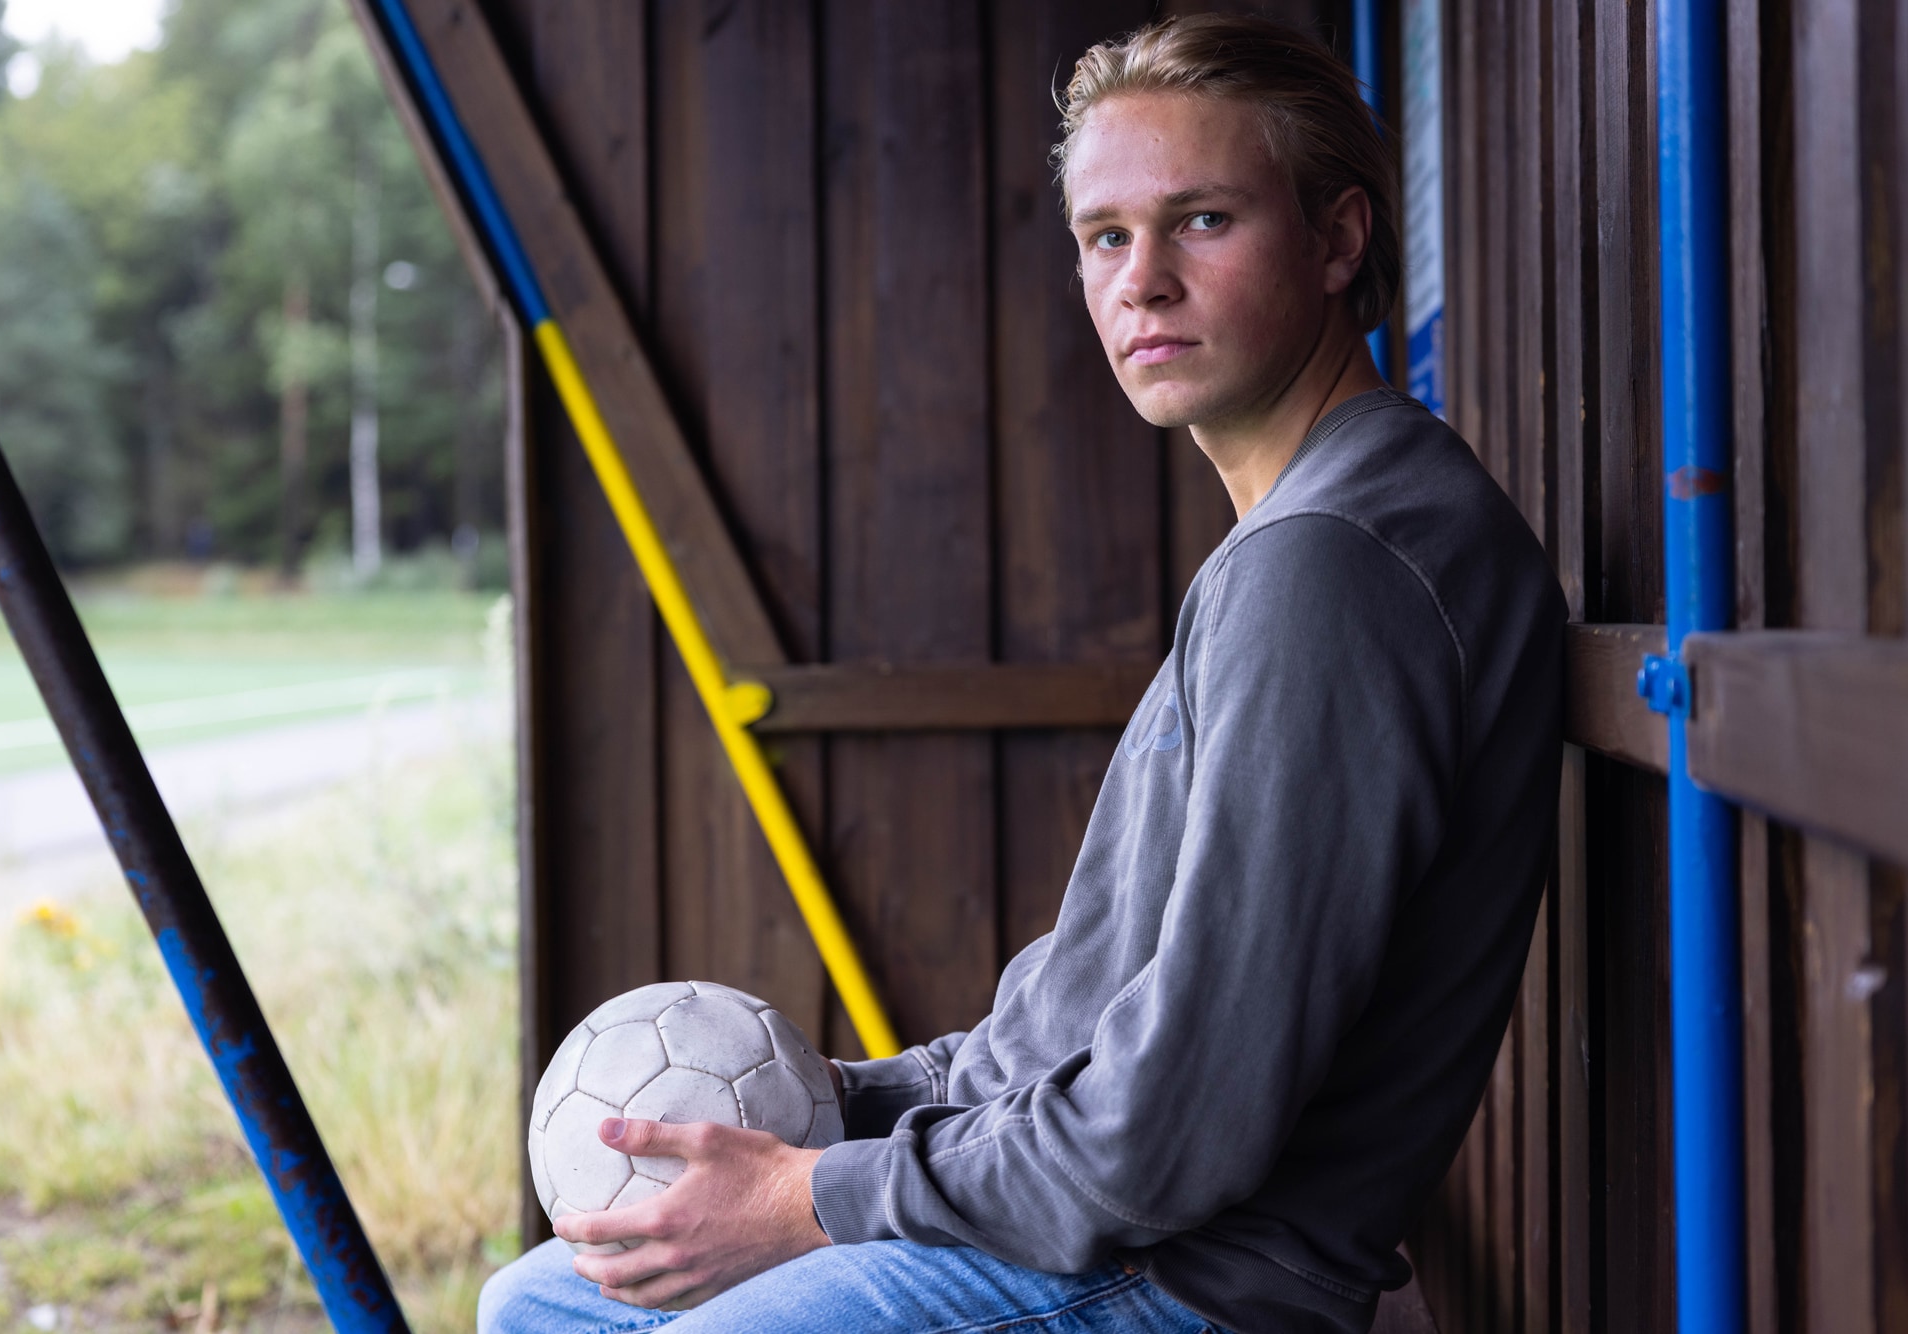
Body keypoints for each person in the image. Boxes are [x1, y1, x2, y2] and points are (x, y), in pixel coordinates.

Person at [479, 14, 1565, 1334]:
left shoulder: (1332, 567)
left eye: (1204, 220)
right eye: (1107, 235)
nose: (1141, 282)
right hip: (1114, 1227)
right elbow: (1074, 1023)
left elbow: (1166, 1136)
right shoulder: (1297, 536)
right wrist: (820, 1102)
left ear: (1337, 240)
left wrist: (813, 1189)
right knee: (545, 1296)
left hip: (1185, 1274)